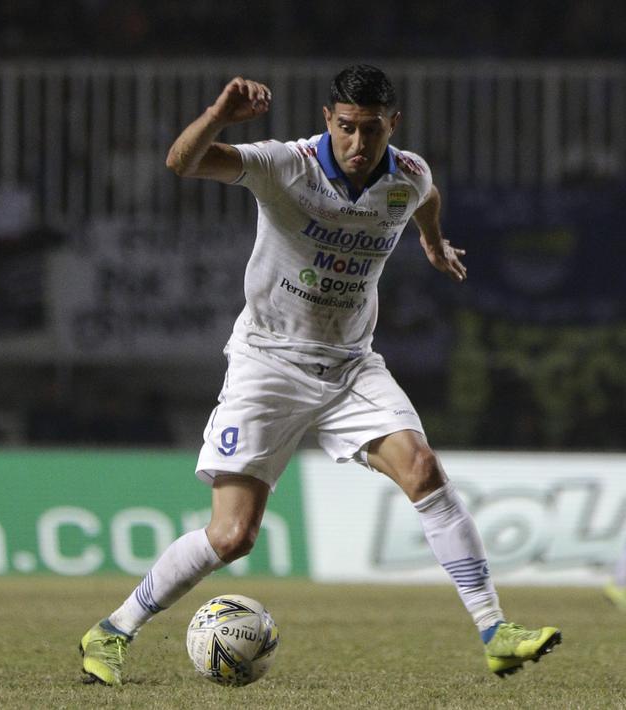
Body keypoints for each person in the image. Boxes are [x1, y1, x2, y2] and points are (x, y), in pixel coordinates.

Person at [78, 65, 561, 685]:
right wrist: (219, 115)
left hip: (352, 365)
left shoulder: (407, 175)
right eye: (346, 128)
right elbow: (183, 162)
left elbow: (428, 198)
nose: (359, 144)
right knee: (231, 537)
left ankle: (497, 632)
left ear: (394, 125)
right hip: (269, 363)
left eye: (373, 130)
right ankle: (112, 632)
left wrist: (433, 244)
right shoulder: (287, 165)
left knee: (424, 470)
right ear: (328, 119)